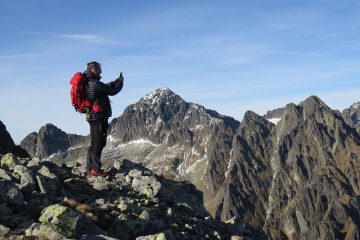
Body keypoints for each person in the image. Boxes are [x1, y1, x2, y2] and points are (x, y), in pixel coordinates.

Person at [84, 61, 124, 177]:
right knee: (99, 143)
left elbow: (105, 87)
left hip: (91, 116)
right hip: (99, 117)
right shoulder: (95, 83)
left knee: (93, 142)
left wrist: (115, 81)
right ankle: (96, 170)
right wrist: (120, 82)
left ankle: (90, 168)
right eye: (99, 69)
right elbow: (112, 91)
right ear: (93, 70)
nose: (101, 71)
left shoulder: (89, 82)